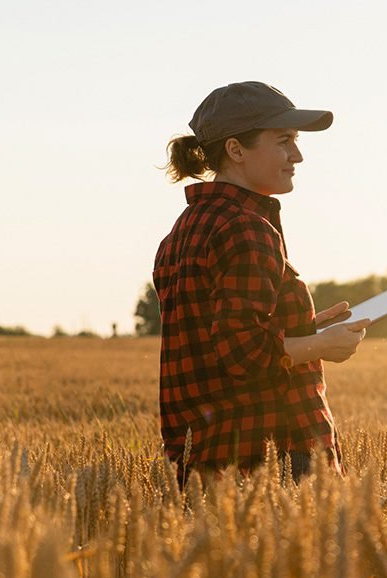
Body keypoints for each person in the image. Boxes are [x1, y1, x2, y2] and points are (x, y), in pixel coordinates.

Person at [154, 81, 368, 486]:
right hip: (271, 455)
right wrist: (322, 345)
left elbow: (212, 338)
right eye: (284, 141)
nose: (298, 156)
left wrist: (303, 324)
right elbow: (243, 352)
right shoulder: (247, 228)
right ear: (236, 150)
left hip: (205, 457)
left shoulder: (183, 231)